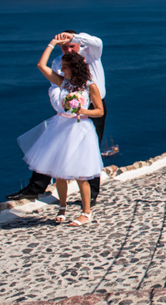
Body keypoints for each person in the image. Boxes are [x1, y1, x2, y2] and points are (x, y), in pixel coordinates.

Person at [7, 30, 107, 202]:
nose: (68, 51)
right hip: (67, 109)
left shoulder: (91, 53)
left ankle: (91, 195)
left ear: (78, 43)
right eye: (64, 47)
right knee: (52, 146)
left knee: (90, 149)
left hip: (92, 106)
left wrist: (73, 37)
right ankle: (35, 188)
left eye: (71, 46)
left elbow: (97, 41)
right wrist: (62, 105)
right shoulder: (58, 62)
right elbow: (54, 85)